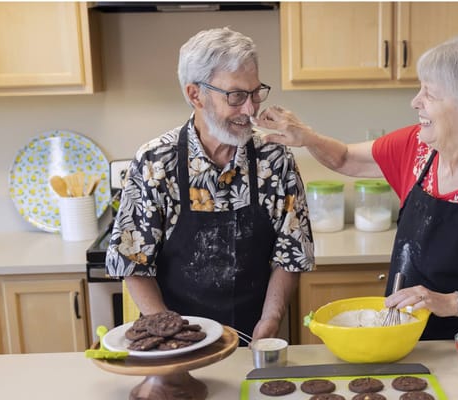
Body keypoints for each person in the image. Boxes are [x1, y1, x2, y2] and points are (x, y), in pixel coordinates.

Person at [255, 35, 458, 340]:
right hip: (400, 337)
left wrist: (447, 302)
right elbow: (345, 159)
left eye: (429, 94)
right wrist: (307, 136)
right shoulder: (418, 147)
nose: (415, 101)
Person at [105, 27, 314, 342]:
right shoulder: (155, 162)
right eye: (236, 96)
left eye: (255, 92)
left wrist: (271, 319)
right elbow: (132, 263)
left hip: (255, 336)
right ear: (195, 94)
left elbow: (292, 254)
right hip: (175, 340)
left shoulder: (274, 160)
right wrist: (170, 336)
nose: (250, 108)